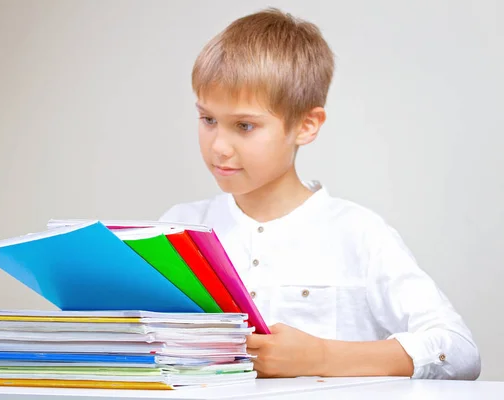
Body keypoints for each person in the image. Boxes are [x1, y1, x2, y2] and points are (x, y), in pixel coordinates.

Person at [159, 7, 480, 380]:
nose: (219, 147)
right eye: (208, 120)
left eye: (244, 125)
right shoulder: (178, 228)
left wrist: (323, 357)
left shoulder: (358, 233)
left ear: (307, 125)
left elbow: (458, 351)